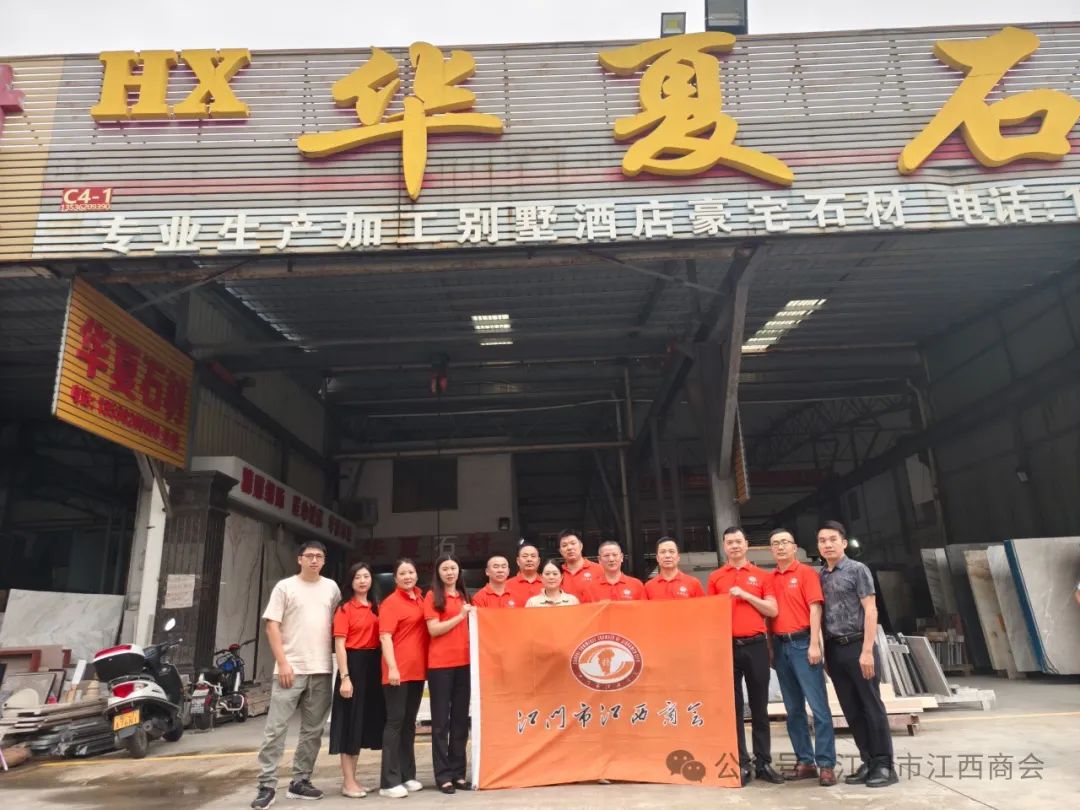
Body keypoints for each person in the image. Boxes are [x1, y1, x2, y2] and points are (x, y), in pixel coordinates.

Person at [252, 540, 341, 809]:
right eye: (309, 555)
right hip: (289, 669)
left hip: (321, 668)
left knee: (313, 731)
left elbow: (339, 624)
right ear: (299, 559)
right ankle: (267, 785)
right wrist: (283, 663)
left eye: (319, 556)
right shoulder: (285, 587)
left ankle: (300, 781)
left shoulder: (331, 588)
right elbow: (272, 626)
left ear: (324, 561)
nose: (314, 560)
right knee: (275, 729)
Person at [818, 520, 898, 788]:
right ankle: (868, 760)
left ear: (843, 542)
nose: (827, 544)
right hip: (834, 648)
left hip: (857, 645)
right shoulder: (821, 576)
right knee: (851, 709)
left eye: (832, 539)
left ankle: (884, 765)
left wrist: (867, 650)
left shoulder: (857, 569)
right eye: (822, 541)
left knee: (871, 705)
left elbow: (871, 609)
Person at [707, 526, 782, 787]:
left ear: (746, 544)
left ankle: (763, 762)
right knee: (734, 708)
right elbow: (710, 614)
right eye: (729, 542)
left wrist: (746, 595)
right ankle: (741, 762)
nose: (735, 546)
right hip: (728, 646)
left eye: (738, 541)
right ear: (724, 547)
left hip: (756, 645)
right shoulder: (716, 578)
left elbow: (772, 610)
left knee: (760, 707)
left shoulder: (762, 576)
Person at [767, 529, 836, 787]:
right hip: (780, 646)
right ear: (771, 550)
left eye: (785, 542)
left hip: (803, 643)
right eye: (775, 544)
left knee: (818, 708)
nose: (780, 547)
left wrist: (815, 644)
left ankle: (826, 765)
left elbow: (815, 608)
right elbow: (768, 616)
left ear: (794, 547)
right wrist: (771, 649)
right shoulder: (769, 578)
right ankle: (805, 761)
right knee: (793, 709)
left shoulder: (806, 573)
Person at [329, 562, 387, 799]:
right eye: (357, 577)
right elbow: (339, 644)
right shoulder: (345, 609)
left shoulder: (376, 607)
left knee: (361, 724)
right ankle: (347, 782)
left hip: (373, 667)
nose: (362, 581)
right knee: (349, 724)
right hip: (353, 665)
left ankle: (354, 779)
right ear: (351, 582)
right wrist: (345, 677)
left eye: (366, 576)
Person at [378, 559, 429, 799]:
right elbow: (385, 637)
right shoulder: (391, 603)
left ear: (416, 575)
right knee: (395, 723)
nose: (407, 576)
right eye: (402, 573)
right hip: (397, 672)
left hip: (417, 671)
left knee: (409, 723)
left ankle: (407, 775)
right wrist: (392, 667)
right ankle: (388, 782)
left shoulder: (420, 598)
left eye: (411, 572)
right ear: (395, 578)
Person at [423, 555, 475, 794]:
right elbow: (433, 629)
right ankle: (442, 775)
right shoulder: (433, 596)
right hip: (440, 666)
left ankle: (458, 773)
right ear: (438, 572)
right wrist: (460, 616)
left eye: (453, 568)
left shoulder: (464, 596)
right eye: (445, 568)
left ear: (459, 571)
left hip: (464, 664)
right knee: (440, 723)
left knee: (460, 721)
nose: (450, 572)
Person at [581, 540, 647, 602]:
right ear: (599, 560)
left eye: (615, 555)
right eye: (606, 555)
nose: (611, 559)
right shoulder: (590, 588)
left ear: (621, 557)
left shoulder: (636, 585)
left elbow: (643, 609)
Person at [557, 530, 603, 598]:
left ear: (581, 546)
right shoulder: (557, 573)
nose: (569, 548)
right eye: (564, 545)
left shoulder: (598, 569)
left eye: (573, 543)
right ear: (560, 551)